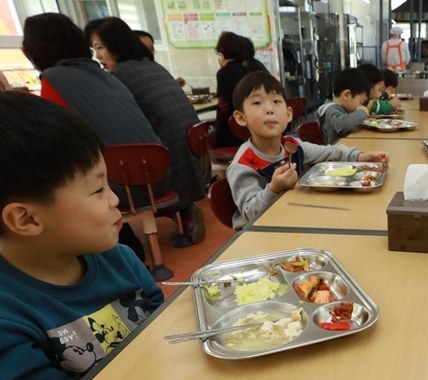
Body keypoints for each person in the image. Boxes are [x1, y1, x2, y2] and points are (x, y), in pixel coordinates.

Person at [0, 92, 164, 380]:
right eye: (97, 190)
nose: (115, 198)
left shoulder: (117, 257)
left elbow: (162, 324)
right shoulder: (8, 316)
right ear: (27, 219)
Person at [22, 12, 163, 261]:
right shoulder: (107, 77)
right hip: (157, 175)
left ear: (32, 49)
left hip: (118, 183)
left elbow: (55, 144)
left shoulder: (54, 79)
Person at [85, 17, 207, 246]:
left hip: (166, 162)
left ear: (115, 44)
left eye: (100, 47)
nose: (98, 56)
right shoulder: (153, 66)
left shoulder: (119, 76)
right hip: (191, 156)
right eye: (94, 49)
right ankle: (185, 212)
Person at [226, 72, 389, 229]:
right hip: (258, 232)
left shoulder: (292, 145)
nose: (269, 109)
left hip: (292, 218)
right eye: (257, 103)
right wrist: (273, 189)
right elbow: (248, 214)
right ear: (241, 117)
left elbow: (327, 153)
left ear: (289, 114)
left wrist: (360, 156)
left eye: (276, 101)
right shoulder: (243, 164)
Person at [214, 31, 267, 148]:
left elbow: (223, 105)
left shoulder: (224, 72)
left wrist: (217, 129)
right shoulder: (247, 68)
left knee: (214, 134)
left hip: (236, 129)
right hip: (254, 123)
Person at [316, 68, 370, 145]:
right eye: (361, 102)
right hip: (333, 154)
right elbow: (342, 125)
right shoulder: (331, 109)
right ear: (346, 95)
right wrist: (362, 113)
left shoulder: (344, 108)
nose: (361, 105)